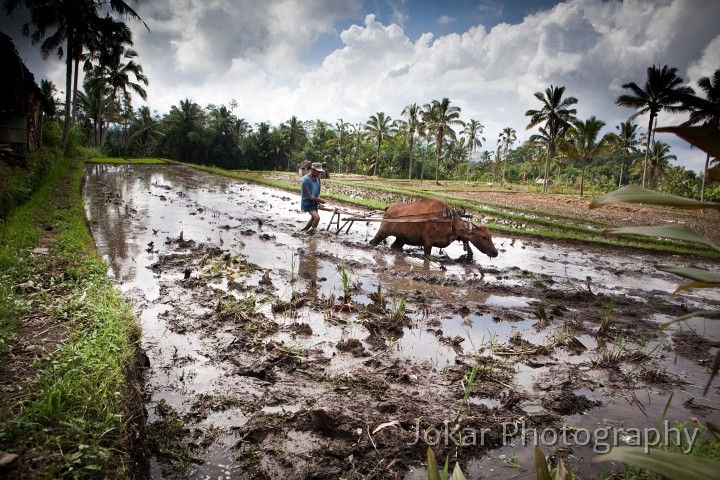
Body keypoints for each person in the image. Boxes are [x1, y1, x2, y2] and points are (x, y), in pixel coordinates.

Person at [300, 162, 325, 231]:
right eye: (318, 172)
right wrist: (319, 200)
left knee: (313, 218)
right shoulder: (305, 180)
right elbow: (306, 195)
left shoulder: (318, 179)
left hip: (315, 202)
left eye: (320, 172)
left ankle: (304, 230)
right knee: (317, 218)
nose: (319, 174)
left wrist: (319, 203)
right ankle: (311, 233)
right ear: (312, 170)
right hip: (307, 203)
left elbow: (318, 192)